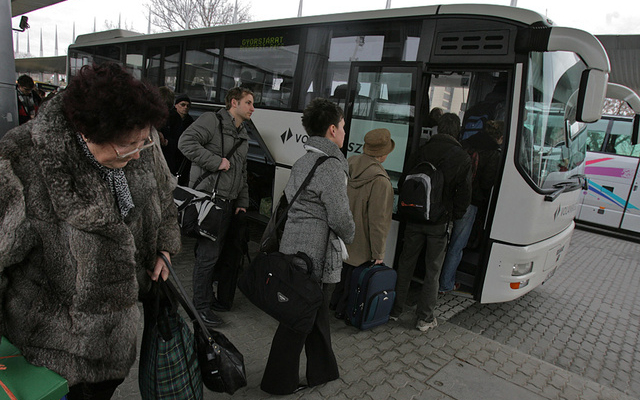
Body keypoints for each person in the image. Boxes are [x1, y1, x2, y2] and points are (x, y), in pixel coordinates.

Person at [0, 63, 181, 399]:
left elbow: (164, 198)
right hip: (49, 354)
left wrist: (165, 247)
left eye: (144, 141)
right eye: (128, 145)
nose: (139, 152)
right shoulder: (22, 160)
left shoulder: (139, 139)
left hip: (115, 346)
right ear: (87, 132)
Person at [260, 98, 355, 395]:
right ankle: (277, 382)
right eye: (341, 126)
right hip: (314, 255)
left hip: (295, 248)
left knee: (314, 314)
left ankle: (323, 370)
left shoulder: (304, 160)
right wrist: (351, 233)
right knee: (298, 319)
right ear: (331, 130)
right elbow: (339, 215)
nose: (344, 131)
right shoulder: (330, 166)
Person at [178, 86, 253, 326]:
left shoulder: (243, 134)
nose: (253, 108)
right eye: (249, 102)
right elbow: (185, 143)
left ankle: (207, 301)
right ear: (234, 102)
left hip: (228, 204)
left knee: (217, 256)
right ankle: (199, 308)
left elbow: (242, 172)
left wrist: (242, 201)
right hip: (209, 201)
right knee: (207, 257)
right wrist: (215, 162)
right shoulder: (212, 120)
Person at [390, 112, 472, 332]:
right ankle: (424, 318)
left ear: (438, 129)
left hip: (414, 217)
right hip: (438, 223)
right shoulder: (461, 157)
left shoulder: (422, 149)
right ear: (457, 131)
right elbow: (464, 195)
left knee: (405, 264)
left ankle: (395, 310)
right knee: (432, 270)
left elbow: (407, 177)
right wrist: (452, 216)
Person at [330, 128, 395, 319]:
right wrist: (379, 253)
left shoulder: (350, 163)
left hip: (343, 236)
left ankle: (334, 305)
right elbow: (378, 223)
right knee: (354, 280)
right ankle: (345, 312)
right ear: (383, 154)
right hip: (362, 245)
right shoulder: (381, 182)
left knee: (342, 277)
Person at [439, 120, 504, 293]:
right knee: (457, 245)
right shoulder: (493, 154)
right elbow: (486, 182)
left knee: (439, 239)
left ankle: (432, 278)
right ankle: (446, 284)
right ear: (501, 137)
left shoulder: (466, 143)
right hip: (469, 202)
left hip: (448, 196)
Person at [161, 93, 195, 185]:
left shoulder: (190, 122)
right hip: (170, 154)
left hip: (181, 156)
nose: (185, 107)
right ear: (176, 105)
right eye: (182, 105)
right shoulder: (169, 118)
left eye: (188, 106)